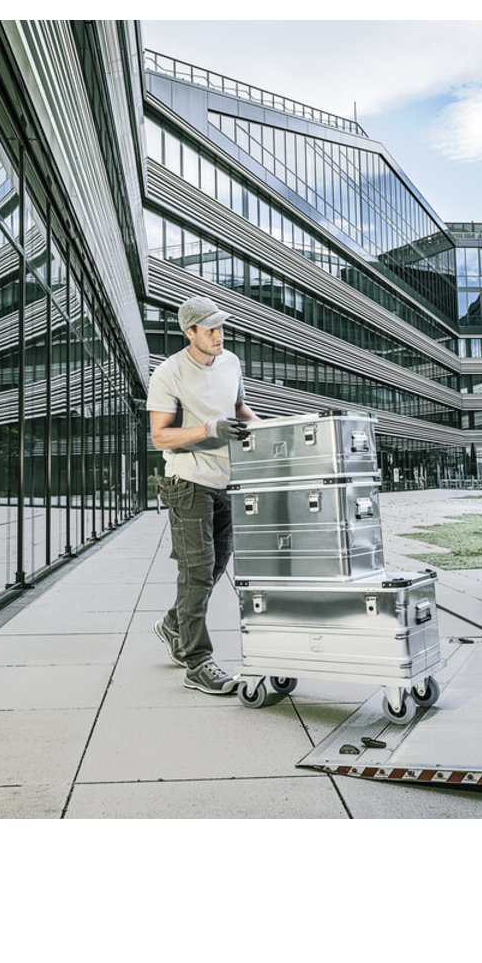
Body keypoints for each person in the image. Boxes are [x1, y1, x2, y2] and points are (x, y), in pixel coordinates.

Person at [146, 295, 260, 694]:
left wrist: (271, 433)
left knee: (214, 568)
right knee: (197, 571)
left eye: (220, 327)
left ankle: (173, 623)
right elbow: (160, 436)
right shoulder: (169, 373)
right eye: (209, 329)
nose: (218, 335)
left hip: (227, 481)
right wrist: (209, 429)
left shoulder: (231, 363)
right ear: (189, 332)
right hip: (187, 482)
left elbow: (240, 409)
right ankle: (196, 662)